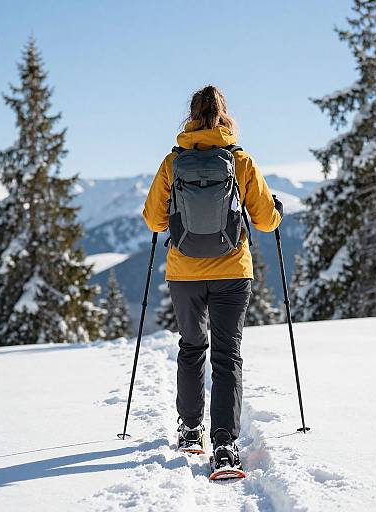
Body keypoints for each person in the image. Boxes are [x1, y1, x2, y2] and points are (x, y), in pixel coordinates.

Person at [142, 85, 283, 469]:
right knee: (227, 356)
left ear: (189, 116)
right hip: (233, 272)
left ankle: (190, 431)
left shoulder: (173, 163)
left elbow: (154, 220)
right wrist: (278, 210)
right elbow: (267, 221)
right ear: (225, 115)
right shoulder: (240, 160)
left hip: (184, 271)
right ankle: (224, 446)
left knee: (191, 347)